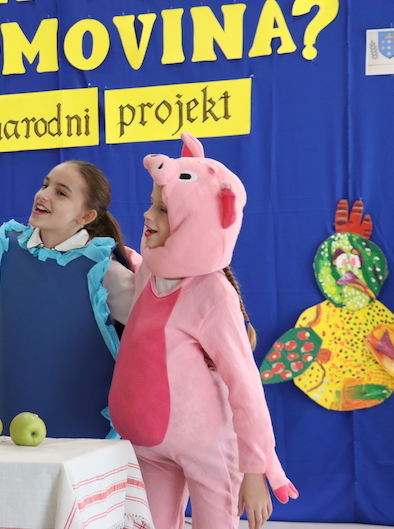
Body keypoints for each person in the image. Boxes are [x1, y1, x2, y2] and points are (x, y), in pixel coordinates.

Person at [108, 133, 297, 529]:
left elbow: (245, 385)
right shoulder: (151, 272)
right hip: (149, 445)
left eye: (163, 210)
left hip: (208, 449)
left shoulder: (213, 293)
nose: (148, 215)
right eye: (151, 204)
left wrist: (255, 470)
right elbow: (130, 269)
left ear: (197, 221)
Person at [0, 160, 134, 438]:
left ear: (86, 216)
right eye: (45, 185)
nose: (43, 194)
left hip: (83, 436)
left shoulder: (103, 272)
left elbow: (159, 326)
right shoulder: (5, 253)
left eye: (61, 193)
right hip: (9, 428)